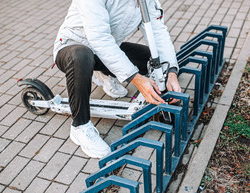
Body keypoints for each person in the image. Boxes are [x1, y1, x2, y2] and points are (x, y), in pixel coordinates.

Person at [53, 0, 181, 159]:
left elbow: (157, 31)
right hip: (73, 47)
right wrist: (137, 79)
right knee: (82, 56)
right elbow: (99, 38)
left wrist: (171, 72)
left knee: (152, 59)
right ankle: (80, 127)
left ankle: (102, 73)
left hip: (104, 50)